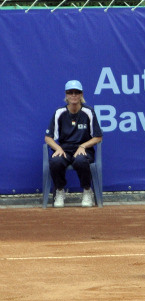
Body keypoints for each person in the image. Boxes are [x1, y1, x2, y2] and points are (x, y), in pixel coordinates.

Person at [45, 80, 103, 208]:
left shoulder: (89, 112)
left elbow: (98, 137)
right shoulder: (59, 113)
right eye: (70, 92)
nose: (73, 95)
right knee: (55, 161)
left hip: (84, 150)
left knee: (81, 161)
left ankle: (87, 190)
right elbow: (48, 138)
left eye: (77, 92)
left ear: (81, 94)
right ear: (66, 95)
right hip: (64, 150)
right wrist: (57, 148)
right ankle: (60, 190)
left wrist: (83, 146)